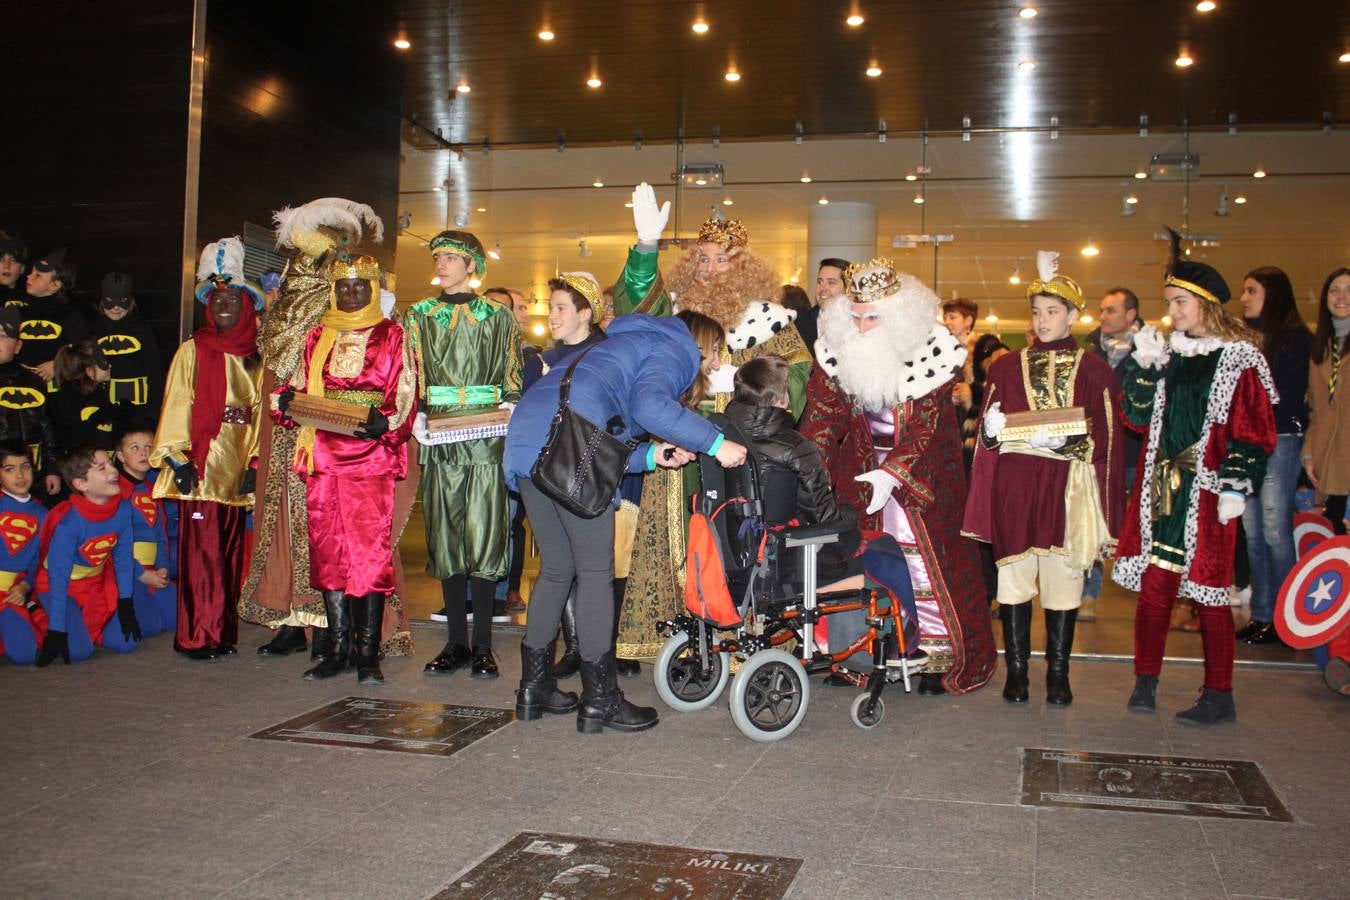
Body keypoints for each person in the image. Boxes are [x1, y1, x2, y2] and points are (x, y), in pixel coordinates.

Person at [503, 311, 747, 734]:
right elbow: (648, 407)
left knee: (558, 569)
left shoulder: (612, 346)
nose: (713, 363)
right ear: (701, 342)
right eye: (714, 352)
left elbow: (599, 432)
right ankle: (601, 701)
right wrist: (715, 442)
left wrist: (653, 456)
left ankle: (533, 688)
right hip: (567, 444)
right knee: (596, 574)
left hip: (527, 443)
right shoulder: (675, 346)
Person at [612, 184, 813, 662]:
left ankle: (740, 638)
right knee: (680, 543)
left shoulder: (772, 323)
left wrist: (745, 383)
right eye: (702, 260)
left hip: (742, 453)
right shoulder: (676, 314)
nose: (710, 269)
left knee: (737, 545)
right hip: (680, 448)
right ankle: (677, 641)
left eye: (722, 260)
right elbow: (635, 305)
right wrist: (645, 248)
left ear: (742, 267)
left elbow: (797, 383)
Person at [801, 258, 997, 695]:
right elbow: (823, 418)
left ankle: (938, 656)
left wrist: (895, 473)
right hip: (860, 477)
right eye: (855, 317)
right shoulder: (838, 352)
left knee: (923, 566)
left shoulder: (932, 356)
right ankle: (863, 653)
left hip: (922, 481)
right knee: (860, 562)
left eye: (873, 317)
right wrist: (804, 462)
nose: (863, 326)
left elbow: (929, 429)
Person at [1114, 229, 1276, 725]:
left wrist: (1235, 483)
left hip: (1208, 493)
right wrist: (1141, 370)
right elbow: (1137, 421)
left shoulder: (1240, 358)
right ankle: (1145, 681)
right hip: (1163, 488)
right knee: (1157, 588)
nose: (1173, 311)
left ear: (1205, 304)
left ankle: (1220, 694)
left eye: (1180, 302)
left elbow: (1256, 429)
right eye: (1169, 302)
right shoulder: (1169, 354)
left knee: (1210, 593)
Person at [240, 198, 405, 660]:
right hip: (304, 438)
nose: (297, 267)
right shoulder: (304, 313)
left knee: (352, 542)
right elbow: (279, 360)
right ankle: (302, 620)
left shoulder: (366, 321)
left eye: (306, 255)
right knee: (309, 534)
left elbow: (397, 391)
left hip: (347, 445)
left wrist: (378, 424)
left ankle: (339, 634)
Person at [963, 252, 1124, 705]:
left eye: (1053, 311)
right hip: (1015, 485)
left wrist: (1070, 445)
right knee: (1013, 577)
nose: (1043, 320)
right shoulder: (1006, 367)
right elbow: (991, 436)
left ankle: (1058, 673)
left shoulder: (1094, 370)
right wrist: (990, 432)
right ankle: (1016, 671)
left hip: (1065, 486)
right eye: (1037, 312)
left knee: (1063, 578)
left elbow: (1108, 436)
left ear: (1073, 316)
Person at [272, 254, 417, 684]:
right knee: (329, 553)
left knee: (368, 556)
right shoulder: (317, 335)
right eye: (344, 287)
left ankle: (367, 654)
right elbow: (297, 387)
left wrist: (384, 423)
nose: (352, 294)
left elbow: (405, 394)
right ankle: (337, 650)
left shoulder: (393, 335)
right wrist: (286, 402)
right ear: (334, 291)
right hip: (321, 458)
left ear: (374, 290)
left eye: (360, 287)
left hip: (369, 460)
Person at [406, 230, 522, 679]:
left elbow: (512, 373)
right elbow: (411, 371)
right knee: (447, 535)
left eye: (451, 257)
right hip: (439, 436)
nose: (442, 263)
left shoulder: (497, 316)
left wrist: (509, 406)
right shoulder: (419, 314)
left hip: (486, 436)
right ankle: (455, 642)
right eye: (438, 256)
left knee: (486, 533)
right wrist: (414, 412)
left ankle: (484, 647)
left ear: (472, 265)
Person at [150, 237, 263, 662]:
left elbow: (258, 414)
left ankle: (222, 632)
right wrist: (178, 458)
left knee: (230, 554)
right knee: (201, 556)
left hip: (235, 468)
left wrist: (255, 462)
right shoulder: (192, 351)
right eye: (216, 302)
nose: (223, 309)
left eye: (232, 301)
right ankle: (197, 635)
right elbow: (177, 401)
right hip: (200, 465)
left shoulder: (256, 356)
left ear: (246, 306)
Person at [1235, 267, 1314, 645]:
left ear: (1273, 293)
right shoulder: (1248, 339)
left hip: (1280, 440)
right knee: (1252, 533)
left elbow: (1286, 396)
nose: (1244, 297)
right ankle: (1262, 613)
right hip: (1247, 442)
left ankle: (1287, 616)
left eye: (1251, 290)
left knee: (1274, 530)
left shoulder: (1296, 339)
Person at [32, 447, 138, 666]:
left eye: (110, 463)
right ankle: (35, 611)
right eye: (102, 468)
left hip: (95, 583)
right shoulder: (69, 523)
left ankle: (87, 628)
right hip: (60, 586)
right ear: (81, 484)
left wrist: (126, 603)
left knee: (127, 643)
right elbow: (58, 577)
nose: (114, 470)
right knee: (79, 652)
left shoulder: (123, 510)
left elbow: (124, 560)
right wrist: (57, 628)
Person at [1080, 286, 1144, 621]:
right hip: (1101, 452)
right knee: (1094, 523)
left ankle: (1157, 598)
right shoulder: (1091, 353)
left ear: (1131, 314)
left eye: (1111, 310)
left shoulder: (1151, 352)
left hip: (1138, 453)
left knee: (1146, 525)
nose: (1103, 316)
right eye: (1102, 310)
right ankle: (1088, 594)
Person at [114, 424, 175, 638]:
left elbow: (161, 535)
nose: (143, 453)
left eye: (149, 446)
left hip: (153, 568)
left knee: (176, 621)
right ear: (120, 456)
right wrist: (141, 574)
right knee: (149, 628)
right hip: (126, 571)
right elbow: (113, 543)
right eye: (135, 448)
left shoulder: (153, 490)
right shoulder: (116, 492)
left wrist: (162, 567)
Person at [1304, 266, 1350, 538]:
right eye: (1334, 290)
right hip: (1329, 462)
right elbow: (1315, 409)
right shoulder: (1320, 349)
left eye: (1348, 290)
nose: (1341, 296)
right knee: (1336, 540)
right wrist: (1309, 453)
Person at [0, 307, 61, 501]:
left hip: (34, 472)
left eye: (3, 336)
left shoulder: (33, 380)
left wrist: (52, 468)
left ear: (18, 346)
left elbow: (47, 426)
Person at [90, 272, 165, 415]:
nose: (116, 307)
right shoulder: (94, 330)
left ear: (130, 301)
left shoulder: (141, 329)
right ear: (102, 301)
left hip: (139, 402)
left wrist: (154, 409)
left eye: (122, 301)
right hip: (104, 402)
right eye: (110, 300)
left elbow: (155, 370)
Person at [0, 442, 48, 665]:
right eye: (9, 469)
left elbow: (39, 560)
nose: (19, 475)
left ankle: (30, 610)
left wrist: (24, 586)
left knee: (25, 654)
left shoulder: (42, 514)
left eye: (25, 467)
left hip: (11, 592)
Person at [19, 248, 88, 387]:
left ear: (54, 285)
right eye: (31, 272)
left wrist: (58, 365)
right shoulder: (20, 312)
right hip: (25, 385)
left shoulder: (68, 315)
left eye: (37, 275)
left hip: (58, 389)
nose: (28, 277)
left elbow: (84, 350)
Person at [50, 341, 117, 453]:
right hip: (81, 462)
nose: (109, 366)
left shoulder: (97, 391)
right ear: (89, 370)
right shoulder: (69, 397)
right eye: (102, 363)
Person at [942, 297, 980, 464]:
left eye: (952, 317)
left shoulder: (985, 348)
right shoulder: (942, 352)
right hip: (949, 428)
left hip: (974, 430)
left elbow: (999, 388)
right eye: (945, 318)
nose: (947, 322)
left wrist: (972, 391)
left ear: (968, 320)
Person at [794, 258, 850, 362]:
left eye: (831, 282)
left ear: (848, 289)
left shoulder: (859, 324)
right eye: (820, 282)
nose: (822, 288)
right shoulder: (800, 324)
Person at [0, 233, 28, 308]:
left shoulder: (31, 304)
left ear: (22, 268)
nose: (6, 266)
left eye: (13, 260)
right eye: (1, 259)